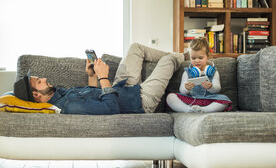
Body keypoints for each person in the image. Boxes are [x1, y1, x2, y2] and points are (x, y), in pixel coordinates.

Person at [14, 43, 186, 115]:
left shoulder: (60, 94)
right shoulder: (69, 106)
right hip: (140, 100)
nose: (44, 78)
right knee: (169, 60)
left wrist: (92, 76)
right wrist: (103, 76)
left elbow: (93, 94)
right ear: (36, 95)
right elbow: (110, 109)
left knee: (135, 48)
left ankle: (183, 57)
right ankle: (185, 58)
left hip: (122, 86)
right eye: (39, 82)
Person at [166, 37, 232, 113]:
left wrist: (211, 87)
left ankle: (204, 110)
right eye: (193, 58)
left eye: (200, 58)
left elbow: (217, 89)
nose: (197, 61)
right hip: (191, 99)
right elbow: (182, 91)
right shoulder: (187, 72)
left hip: (208, 99)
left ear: (207, 56)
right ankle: (188, 110)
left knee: (225, 100)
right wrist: (186, 88)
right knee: (170, 97)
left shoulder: (214, 72)